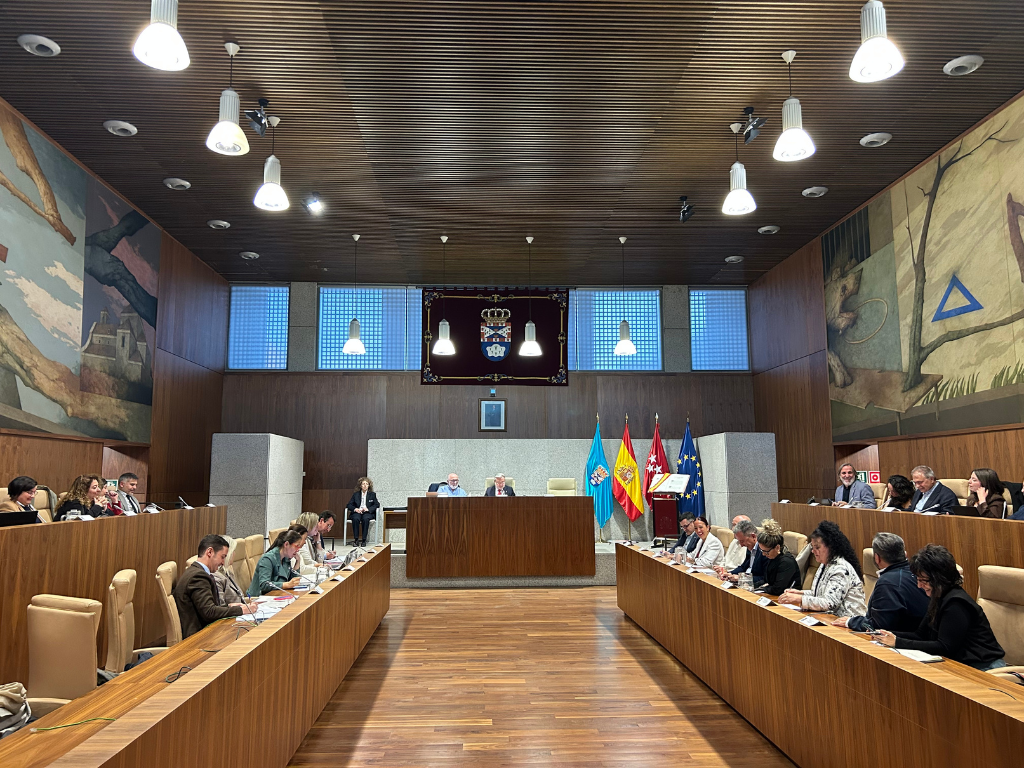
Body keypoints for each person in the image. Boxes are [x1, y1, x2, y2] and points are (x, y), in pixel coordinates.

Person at [875, 545, 1006, 670]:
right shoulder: (938, 597)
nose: (919, 586)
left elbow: (944, 647)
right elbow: (920, 635)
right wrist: (886, 634)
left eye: (923, 581)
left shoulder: (956, 602)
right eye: (918, 579)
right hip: (962, 664)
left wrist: (897, 642)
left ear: (939, 578)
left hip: (984, 667)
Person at [832, 533, 928, 633]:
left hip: (902, 641)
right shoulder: (918, 573)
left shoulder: (887, 582)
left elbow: (878, 626)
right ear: (905, 554)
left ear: (877, 558)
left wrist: (850, 622)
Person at [173, 535, 258, 638]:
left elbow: (206, 608)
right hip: (199, 638)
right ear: (210, 552)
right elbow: (209, 612)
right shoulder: (198, 576)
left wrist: (229, 607)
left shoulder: (195, 572)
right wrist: (241, 610)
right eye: (222, 557)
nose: (223, 562)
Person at [778, 520, 867, 618]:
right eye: (812, 547)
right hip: (832, 619)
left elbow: (829, 603)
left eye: (817, 547)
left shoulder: (840, 569)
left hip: (850, 622)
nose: (813, 551)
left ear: (831, 547)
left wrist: (799, 598)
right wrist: (800, 592)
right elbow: (821, 594)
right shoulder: (824, 565)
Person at [249, 529, 305, 596]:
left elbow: (294, 581)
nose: (298, 550)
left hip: (277, 595)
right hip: (259, 598)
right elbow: (264, 584)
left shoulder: (285, 558)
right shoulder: (267, 558)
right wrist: (286, 584)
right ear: (286, 544)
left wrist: (298, 561)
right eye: (296, 546)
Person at [754, 519, 801, 595]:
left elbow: (778, 589)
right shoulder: (772, 557)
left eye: (766, 551)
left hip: (788, 598)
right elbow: (767, 581)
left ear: (777, 548)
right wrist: (753, 586)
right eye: (761, 550)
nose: (763, 554)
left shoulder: (786, 562)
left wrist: (761, 589)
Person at [715, 519, 766, 586]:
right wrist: (729, 574)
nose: (741, 545)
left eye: (742, 541)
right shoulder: (750, 547)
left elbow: (764, 578)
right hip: (745, 583)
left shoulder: (765, 550)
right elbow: (743, 567)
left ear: (753, 536)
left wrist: (742, 578)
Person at [346, 477, 380, 547]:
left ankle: (364, 540)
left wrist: (368, 509)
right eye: (363, 484)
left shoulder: (372, 494)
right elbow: (349, 505)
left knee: (365, 519)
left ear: (369, 486)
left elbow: (377, 504)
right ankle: (356, 539)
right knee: (355, 518)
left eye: (366, 484)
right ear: (360, 485)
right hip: (357, 512)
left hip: (367, 512)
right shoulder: (356, 495)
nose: (365, 485)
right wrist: (355, 509)